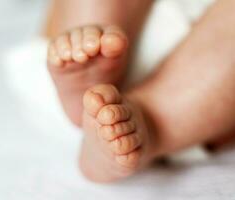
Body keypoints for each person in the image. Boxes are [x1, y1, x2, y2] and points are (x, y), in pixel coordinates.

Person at [45, 0, 235, 182]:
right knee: (91, 33)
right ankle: (91, 54)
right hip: (199, 81)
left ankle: (147, 122)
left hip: (198, 101)